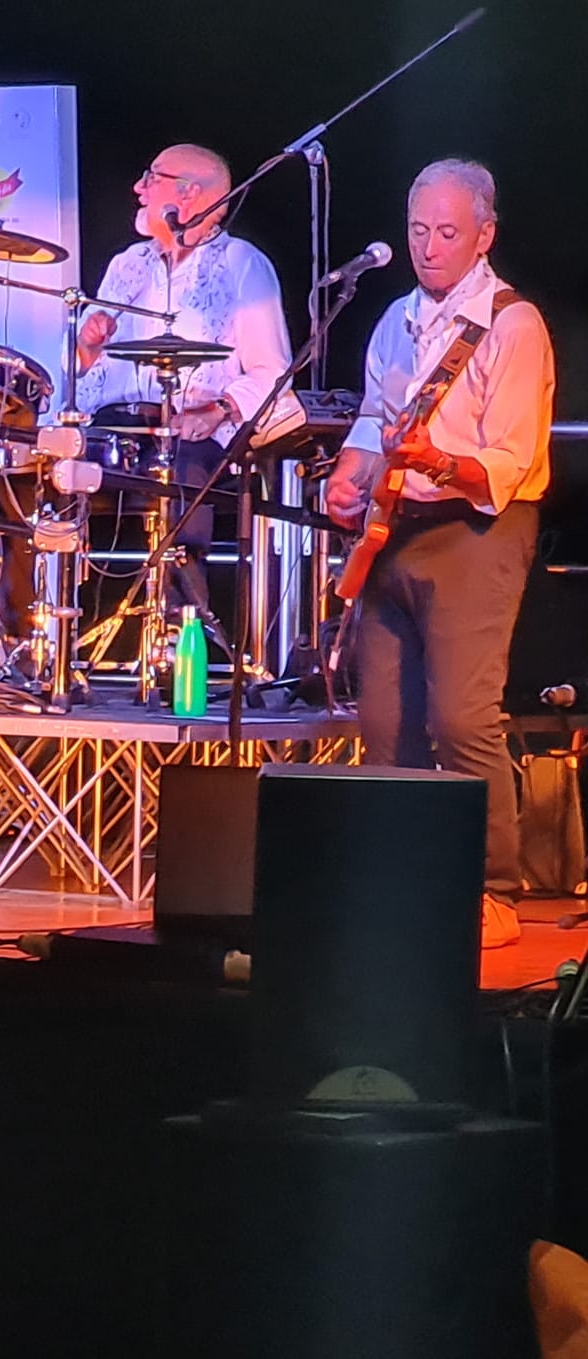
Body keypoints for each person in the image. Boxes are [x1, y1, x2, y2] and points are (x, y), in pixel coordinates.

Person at [324, 158, 555, 949]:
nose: (428, 246)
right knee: (385, 720)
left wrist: (436, 463)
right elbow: (373, 417)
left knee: (462, 717)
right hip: (397, 528)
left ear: (484, 235)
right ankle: (400, 883)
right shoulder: (396, 318)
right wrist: (351, 473)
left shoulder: (512, 325)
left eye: (447, 232)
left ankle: (494, 891)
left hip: (478, 530)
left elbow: (509, 464)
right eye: (418, 229)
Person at [75, 144, 298, 637]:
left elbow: (272, 371)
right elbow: (84, 375)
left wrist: (218, 409)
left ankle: (181, 634)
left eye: (151, 177)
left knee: (179, 475)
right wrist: (86, 349)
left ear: (189, 194)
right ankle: (31, 636)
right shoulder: (126, 265)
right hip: (118, 432)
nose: (138, 188)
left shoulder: (242, 264)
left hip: (194, 436)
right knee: (25, 472)